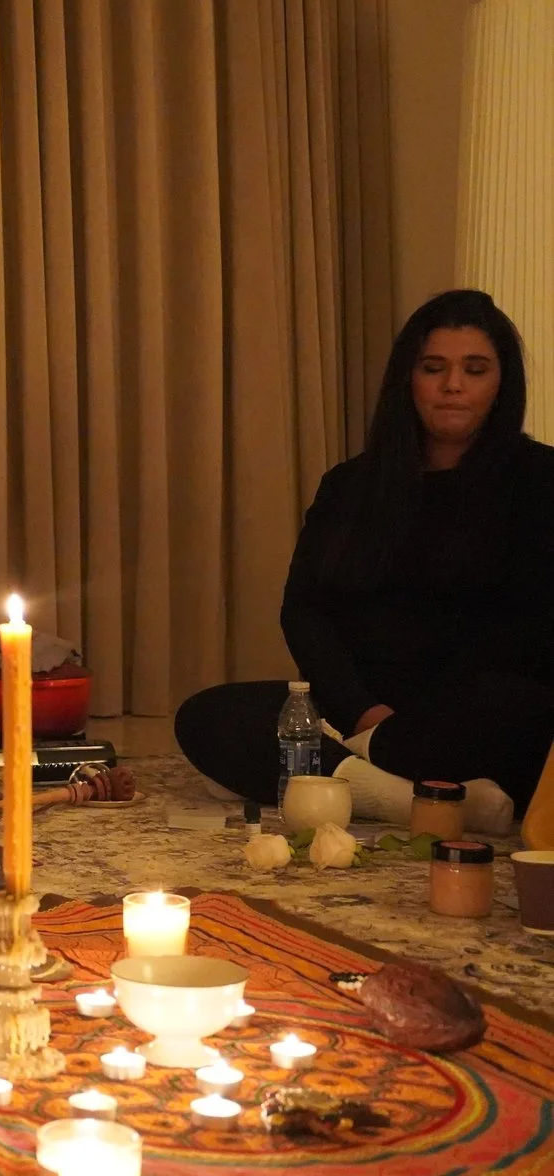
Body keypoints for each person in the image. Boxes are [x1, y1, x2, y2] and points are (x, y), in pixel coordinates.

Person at [174, 289, 554, 826]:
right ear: (408, 378)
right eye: (434, 367)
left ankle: (342, 778)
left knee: (521, 707)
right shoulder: (351, 484)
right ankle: (422, 802)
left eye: (474, 369)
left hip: (470, 711)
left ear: (501, 383)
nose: (452, 386)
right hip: (358, 709)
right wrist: (362, 714)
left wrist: (413, 723)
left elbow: (536, 627)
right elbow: (304, 610)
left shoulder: (541, 481)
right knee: (210, 716)